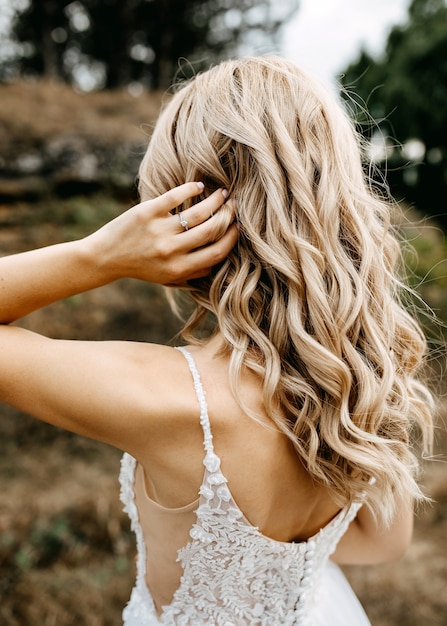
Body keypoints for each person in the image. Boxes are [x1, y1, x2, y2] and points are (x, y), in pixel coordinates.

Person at [0, 56, 434, 626]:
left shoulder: (171, 400)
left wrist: (96, 256)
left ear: (183, 210)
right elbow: (385, 543)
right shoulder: (363, 382)